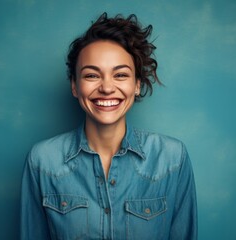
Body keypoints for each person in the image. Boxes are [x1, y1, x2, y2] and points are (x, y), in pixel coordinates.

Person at [20, 12, 197, 240]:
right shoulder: (42, 161)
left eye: (120, 75)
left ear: (136, 85)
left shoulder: (172, 159)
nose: (106, 88)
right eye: (92, 75)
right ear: (75, 86)